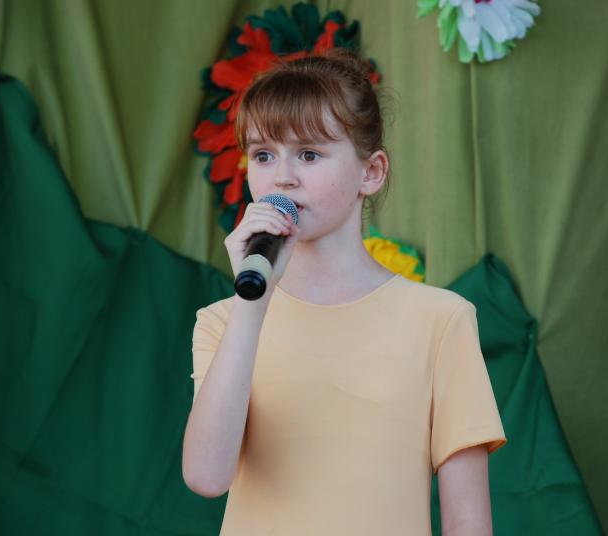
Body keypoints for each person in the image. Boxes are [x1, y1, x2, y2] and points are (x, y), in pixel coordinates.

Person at [182, 48, 506, 535]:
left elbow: (469, 523)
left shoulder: (440, 321)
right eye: (264, 155)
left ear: (370, 172)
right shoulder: (223, 322)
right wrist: (253, 304)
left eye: (309, 154)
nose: (282, 176)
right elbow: (206, 477)